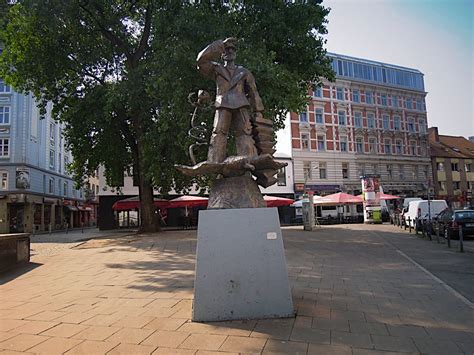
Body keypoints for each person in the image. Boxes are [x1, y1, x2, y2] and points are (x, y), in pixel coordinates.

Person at [197, 37, 264, 163]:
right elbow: (200, 61)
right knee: (218, 133)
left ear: (236, 53)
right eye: (227, 50)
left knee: (245, 133)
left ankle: (248, 161)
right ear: (222, 54)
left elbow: (253, 92)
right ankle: (215, 161)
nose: (230, 52)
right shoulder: (216, 69)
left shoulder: (244, 72)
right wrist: (220, 44)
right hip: (222, 105)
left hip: (241, 106)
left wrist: (258, 111)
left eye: (232, 49)